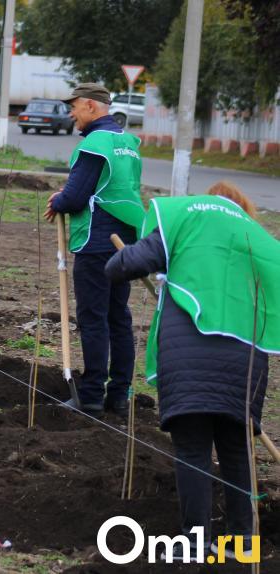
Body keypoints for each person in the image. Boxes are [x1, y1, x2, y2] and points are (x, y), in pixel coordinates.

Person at [105, 182, 278, 560]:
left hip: (188, 359)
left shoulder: (185, 219)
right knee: (236, 451)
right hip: (247, 360)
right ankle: (242, 545)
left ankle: (196, 544)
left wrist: (152, 262)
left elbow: (124, 265)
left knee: (193, 451)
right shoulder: (256, 237)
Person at [43, 82, 145, 417]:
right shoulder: (127, 143)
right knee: (119, 317)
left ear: (90, 105)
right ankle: (119, 395)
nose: (71, 114)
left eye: (74, 107)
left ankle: (89, 395)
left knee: (94, 318)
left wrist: (58, 199)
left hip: (95, 242)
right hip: (125, 243)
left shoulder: (96, 143)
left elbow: (74, 197)